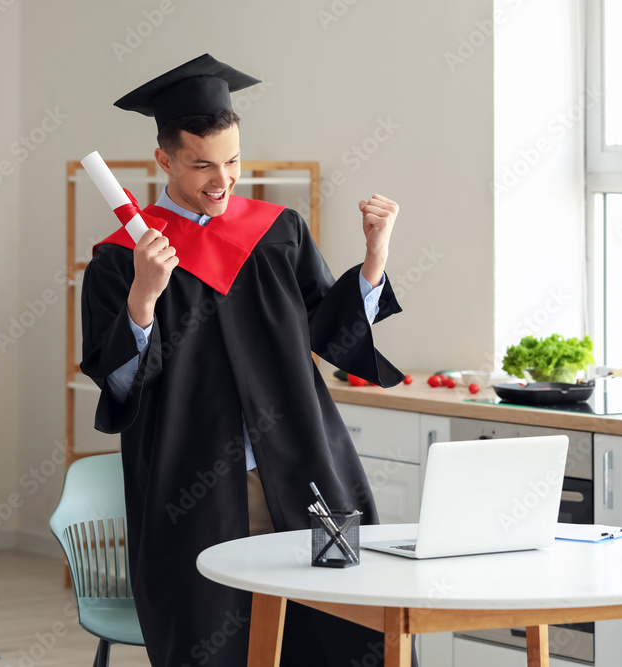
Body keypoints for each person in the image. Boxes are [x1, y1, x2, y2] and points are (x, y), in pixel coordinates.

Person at [80, 53, 411, 667]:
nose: (222, 179)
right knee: (215, 637)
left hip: (307, 466)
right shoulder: (121, 258)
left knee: (345, 620)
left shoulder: (276, 230)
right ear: (165, 160)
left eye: (232, 161)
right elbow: (119, 385)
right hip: (193, 484)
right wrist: (143, 298)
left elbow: (331, 335)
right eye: (202, 164)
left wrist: (373, 258)